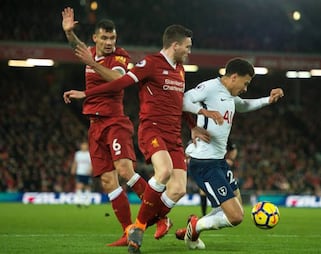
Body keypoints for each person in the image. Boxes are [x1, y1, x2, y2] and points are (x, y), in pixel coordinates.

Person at [63, 24, 217, 254]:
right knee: (131, 177)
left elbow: (176, 101)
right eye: (188, 47)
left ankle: (150, 222)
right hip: (135, 127)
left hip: (153, 129)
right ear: (175, 45)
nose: (190, 51)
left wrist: (193, 127)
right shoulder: (150, 62)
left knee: (174, 188)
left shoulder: (171, 67)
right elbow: (114, 77)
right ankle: (135, 228)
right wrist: (69, 35)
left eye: (112, 37)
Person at [62, 7, 149, 247]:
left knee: (124, 170)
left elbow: (118, 80)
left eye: (112, 38)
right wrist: (69, 33)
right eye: (105, 38)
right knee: (109, 181)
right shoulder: (89, 52)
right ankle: (128, 230)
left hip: (114, 121)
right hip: (95, 124)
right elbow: (76, 47)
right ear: (96, 38)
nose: (110, 42)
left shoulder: (120, 57)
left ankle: (160, 217)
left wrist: (92, 63)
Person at [178, 57, 284, 250]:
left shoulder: (228, 95)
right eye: (245, 83)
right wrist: (203, 112)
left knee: (236, 207)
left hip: (219, 162)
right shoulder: (210, 87)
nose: (245, 88)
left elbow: (243, 105)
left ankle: (193, 229)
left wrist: (268, 100)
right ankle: (195, 226)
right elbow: (184, 100)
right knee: (235, 216)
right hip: (204, 163)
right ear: (234, 77)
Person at [71, 141, 92, 206]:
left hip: (87, 173)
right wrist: (73, 169)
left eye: (85, 145)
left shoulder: (89, 154)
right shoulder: (78, 154)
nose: (84, 146)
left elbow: (91, 163)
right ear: (81, 146)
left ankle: (87, 201)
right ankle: (79, 201)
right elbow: (75, 162)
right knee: (79, 186)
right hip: (79, 172)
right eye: (83, 145)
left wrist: (90, 170)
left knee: (87, 186)